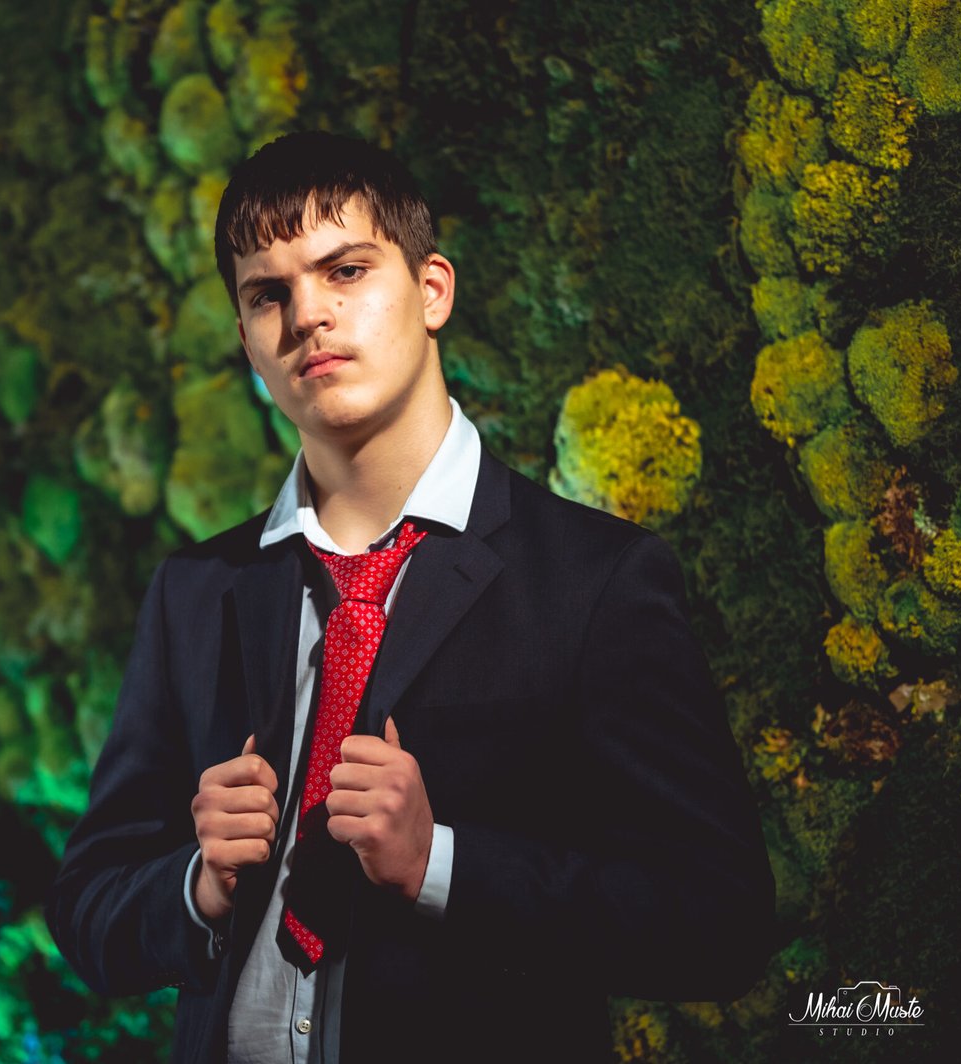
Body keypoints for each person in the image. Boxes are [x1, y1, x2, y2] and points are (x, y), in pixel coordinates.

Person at [46, 131, 774, 1062]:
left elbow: (720, 922)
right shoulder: (195, 591)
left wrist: (441, 865)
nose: (307, 314)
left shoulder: (596, 579)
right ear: (247, 343)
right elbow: (86, 910)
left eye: (345, 270)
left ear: (433, 290)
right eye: (267, 295)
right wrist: (197, 885)